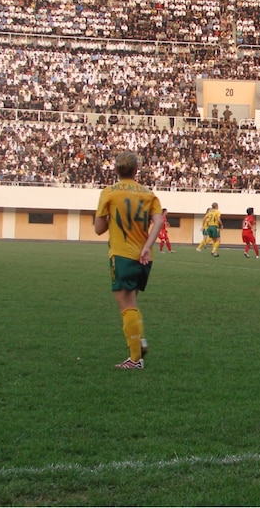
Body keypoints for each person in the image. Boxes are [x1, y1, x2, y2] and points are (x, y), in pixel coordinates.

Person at [94, 151, 164, 370]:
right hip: (143, 257)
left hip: (121, 254)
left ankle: (135, 359)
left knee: (125, 305)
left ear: (116, 170)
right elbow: (159, 221)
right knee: (132, 301)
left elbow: (98, 229)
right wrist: (147, 246)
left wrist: (109, 218)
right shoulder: (148, 194)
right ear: (136, 170)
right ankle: (139, 340)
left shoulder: (109, 193)